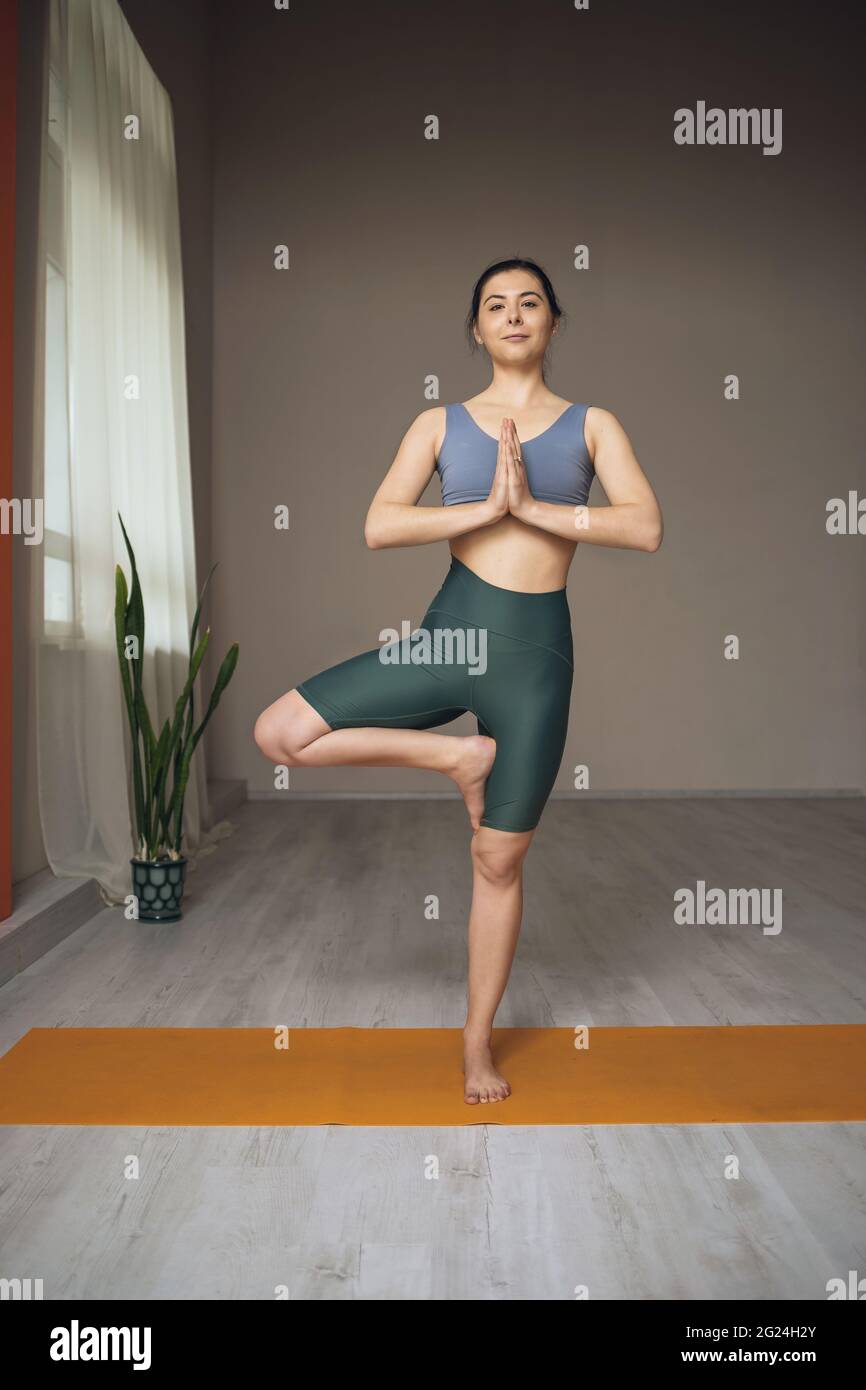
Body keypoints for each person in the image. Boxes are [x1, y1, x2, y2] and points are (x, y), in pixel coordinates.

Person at [254, 257, 663, 1105]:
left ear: (554, 320)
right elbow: (378, 525)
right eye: (494, 306)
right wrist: (482, 508)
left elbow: (645, 527)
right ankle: (455, 761)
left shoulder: (593, 426)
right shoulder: (440, 424)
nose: (513, 316)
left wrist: (536, 509)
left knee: (498, 857)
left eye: (530, 303)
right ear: (475, 330)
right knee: (280, 733)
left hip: (536, 657)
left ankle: (476, 1043)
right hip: (448, 638)